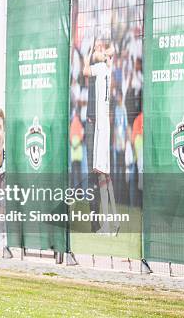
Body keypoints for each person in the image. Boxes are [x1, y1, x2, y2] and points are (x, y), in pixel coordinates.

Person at [83, 38, 119, 236]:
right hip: (103, 125)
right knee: (104, 175)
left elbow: (84, 70)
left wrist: (91, 51)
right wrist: (104, 52)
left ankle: (109, 225)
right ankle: (112, 221)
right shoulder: (108, 67)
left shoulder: (100, 68)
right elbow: (111, 51)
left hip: (101, 129)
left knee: (102, 175)